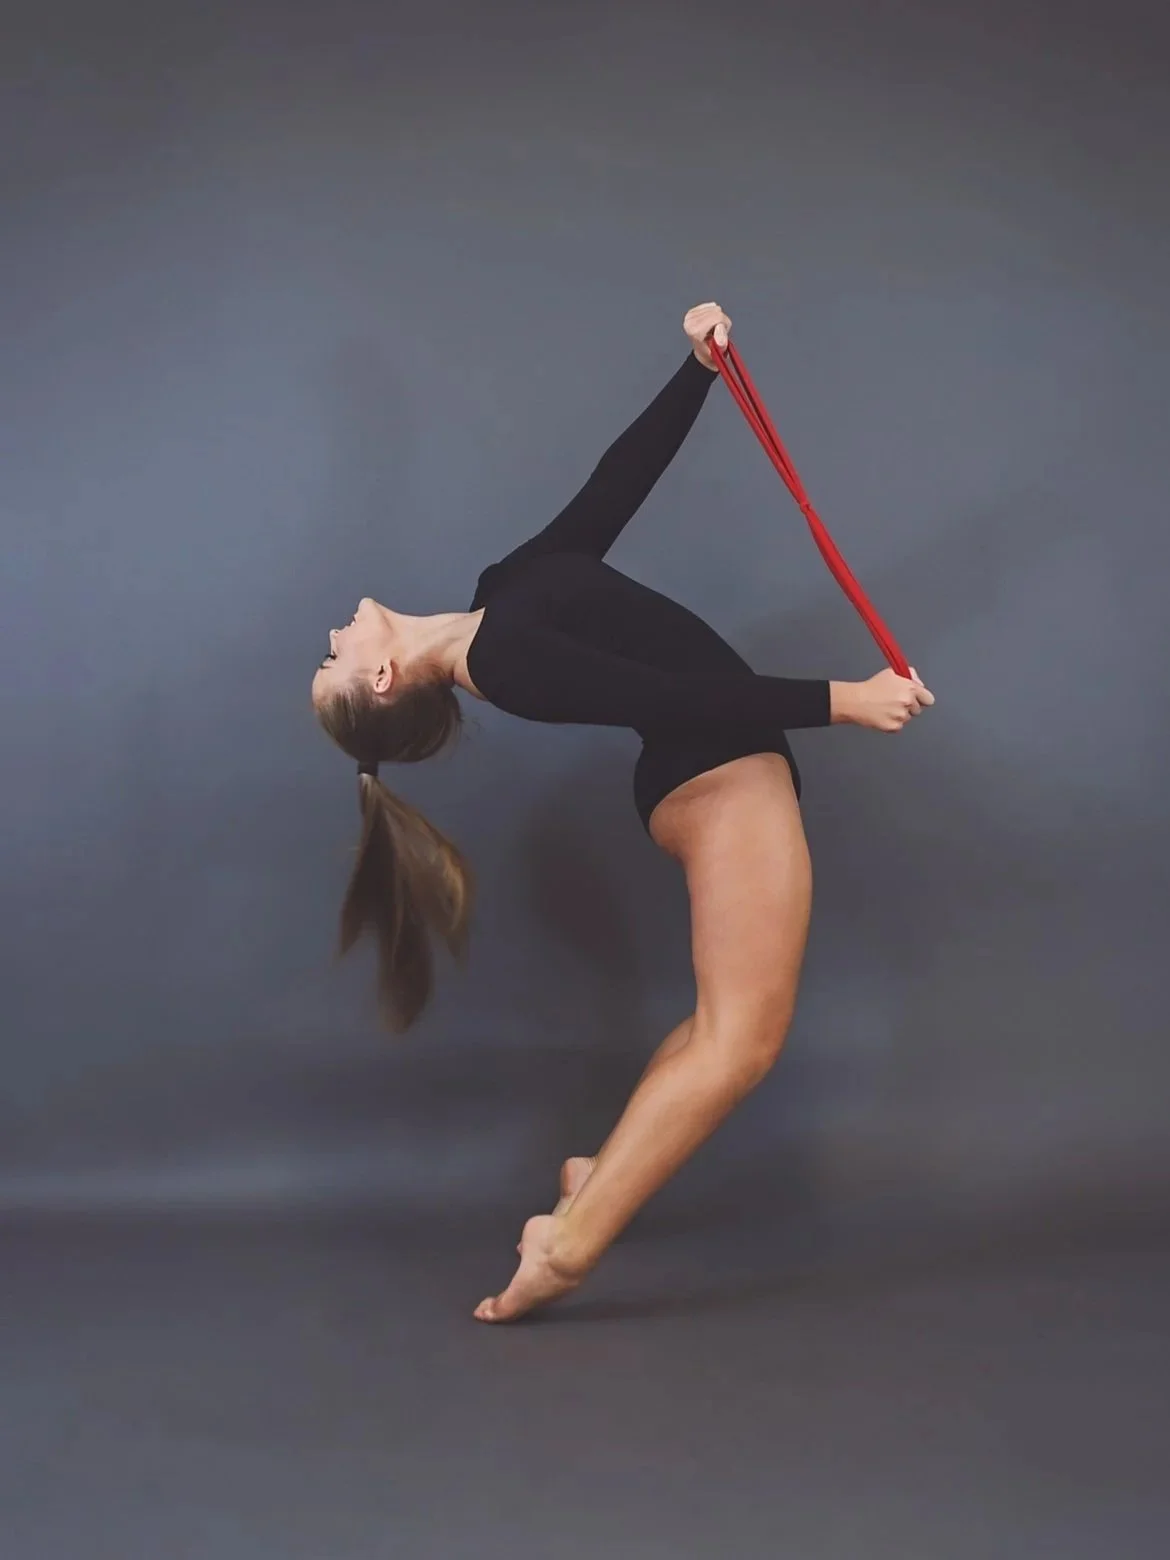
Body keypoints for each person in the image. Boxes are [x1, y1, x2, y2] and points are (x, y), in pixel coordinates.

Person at [311, 302, 934, 1322]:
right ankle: (564, 1250)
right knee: (742, 1046)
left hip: (712, 770)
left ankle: (593, 1176)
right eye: (333, 657)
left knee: (716, 1027)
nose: (333, 633)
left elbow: (608, 496)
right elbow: (671, 700)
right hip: (719, 771)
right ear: (383, 679)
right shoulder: (500, 661)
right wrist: (845, 702)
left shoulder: (495, 600)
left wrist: (693, 374)